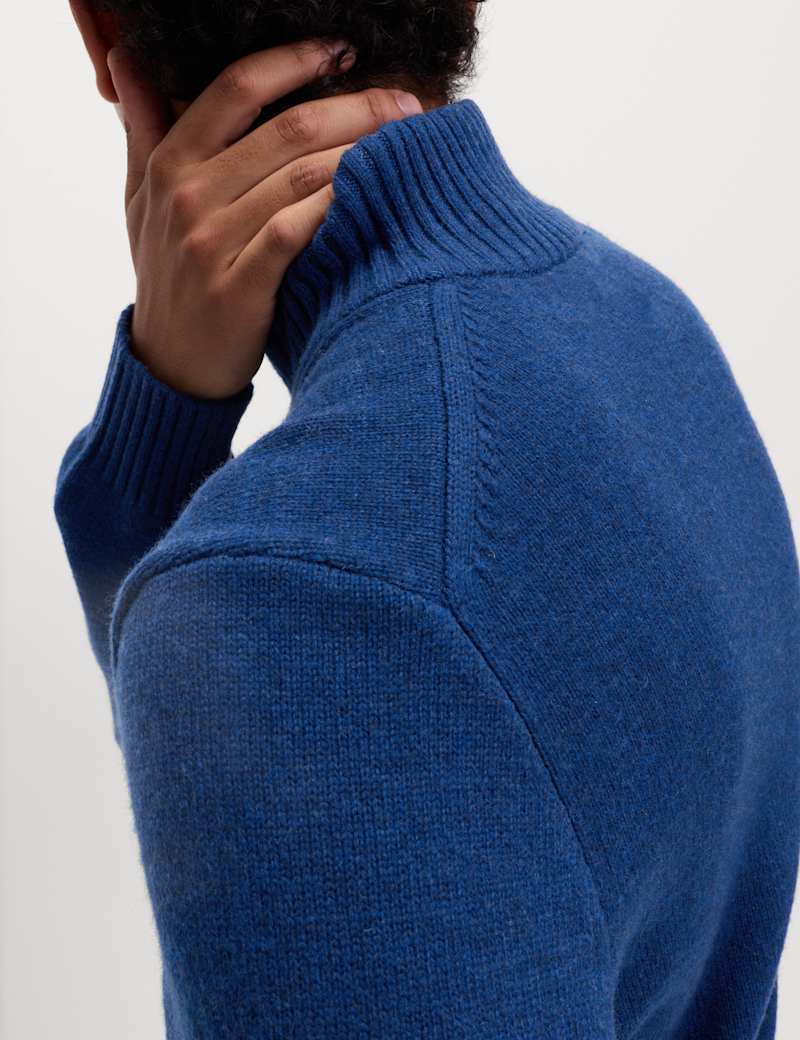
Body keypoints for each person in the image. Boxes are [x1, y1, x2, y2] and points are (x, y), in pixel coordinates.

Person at [54, 1, 800, 1037]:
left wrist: (160, 445)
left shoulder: (290, 593)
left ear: (98, 32)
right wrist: (163, 425)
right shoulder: (655, 331)